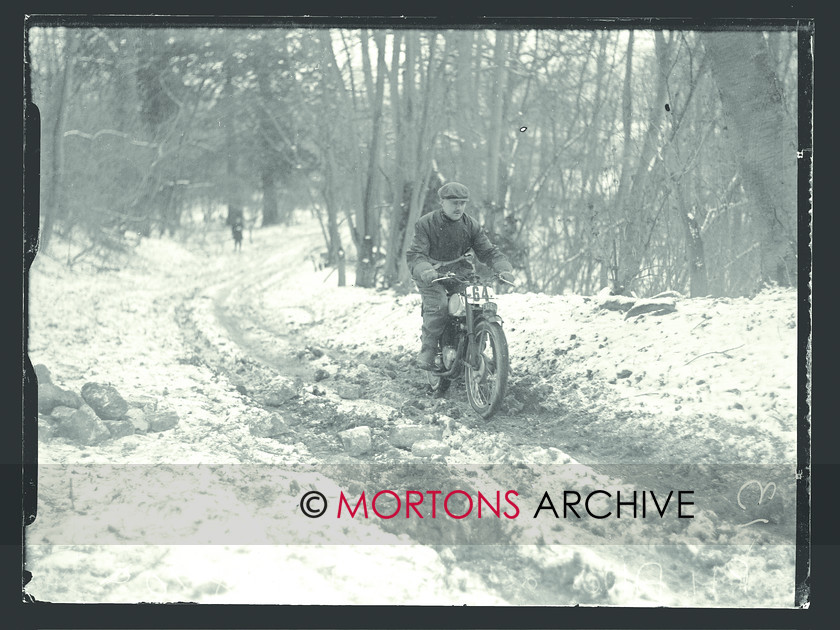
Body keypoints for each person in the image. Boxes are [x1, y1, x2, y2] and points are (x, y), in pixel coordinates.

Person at [406, 181, 514, 370]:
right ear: (442, 202)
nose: (458, 207)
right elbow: (416, 254)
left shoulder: (471, 225)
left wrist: (503, 267)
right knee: (439, 305)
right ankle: (429, 350)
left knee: (477, 304)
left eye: (462, 203)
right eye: (454, 202)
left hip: (461, 273)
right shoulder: (426, 223)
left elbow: (488, 251)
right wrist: (425, 270)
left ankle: (476, 349)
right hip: (432, 274)